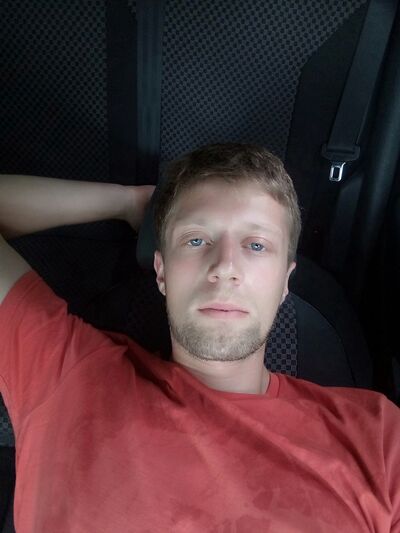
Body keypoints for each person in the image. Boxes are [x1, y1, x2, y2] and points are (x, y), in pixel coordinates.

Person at [0, 143, 399, 532]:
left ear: (284, 283)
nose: (224, 267)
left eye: (256, 245)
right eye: (196, 240)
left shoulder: (378, 439)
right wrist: (129, 202)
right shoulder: (65, 371)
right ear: (161, 271)